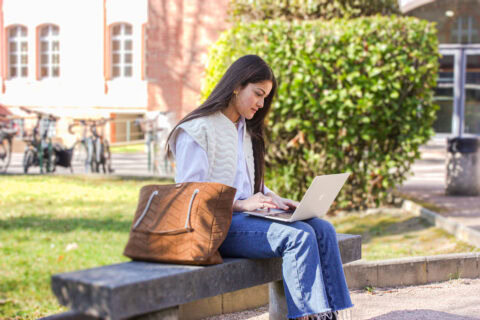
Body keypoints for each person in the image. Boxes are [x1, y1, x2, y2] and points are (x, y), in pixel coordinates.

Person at [167, 55, 353, 320]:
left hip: (246, 220)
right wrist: (241, 204)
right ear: (236, 86)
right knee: (298, 236)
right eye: (258, 94)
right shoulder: (197, 130)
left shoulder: (245, 130)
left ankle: (332, 313)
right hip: (214, 227)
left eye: (265, 97)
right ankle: (309, 316)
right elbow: (190, 195)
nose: (261, 103)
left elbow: (251, 185)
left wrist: (278, 200)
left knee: (322, 228)